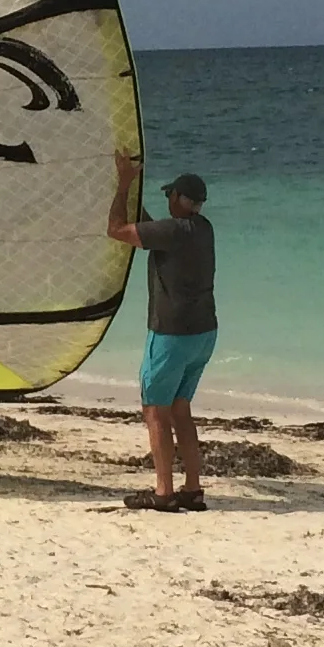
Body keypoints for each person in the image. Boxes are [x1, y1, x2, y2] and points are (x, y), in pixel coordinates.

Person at [108, 163, 214, 510]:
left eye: (170, 194)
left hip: (171, 335)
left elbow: (117, 230)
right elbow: (151, 232)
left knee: (155, 410)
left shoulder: (172, 231)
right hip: (203, 333)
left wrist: (122, 187)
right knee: (180, 409)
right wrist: (131, 190)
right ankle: (193, 489)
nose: (168, 199)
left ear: (179, 198)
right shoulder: (203, 228)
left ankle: (164, 492)